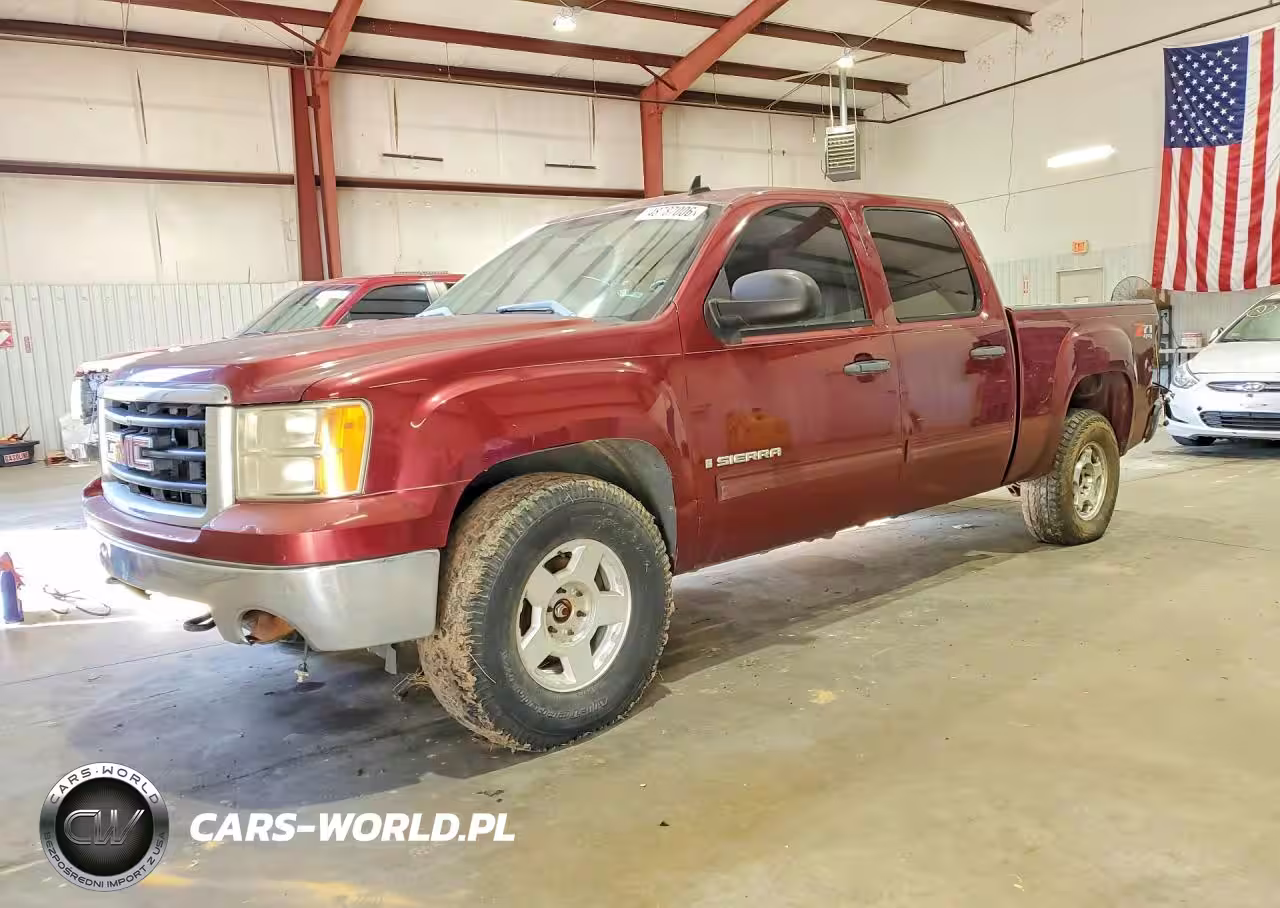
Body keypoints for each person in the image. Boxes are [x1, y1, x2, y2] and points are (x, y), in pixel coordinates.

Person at [1, 551, 24, 624]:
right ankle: (11, 617)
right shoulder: (5, 559)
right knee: (10, 598)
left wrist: (19, 581)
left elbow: (12, 570)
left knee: (10, 599)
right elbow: (12, 570)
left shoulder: (4, 559)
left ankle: (10, 617)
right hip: (8, 578)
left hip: (8, 578)